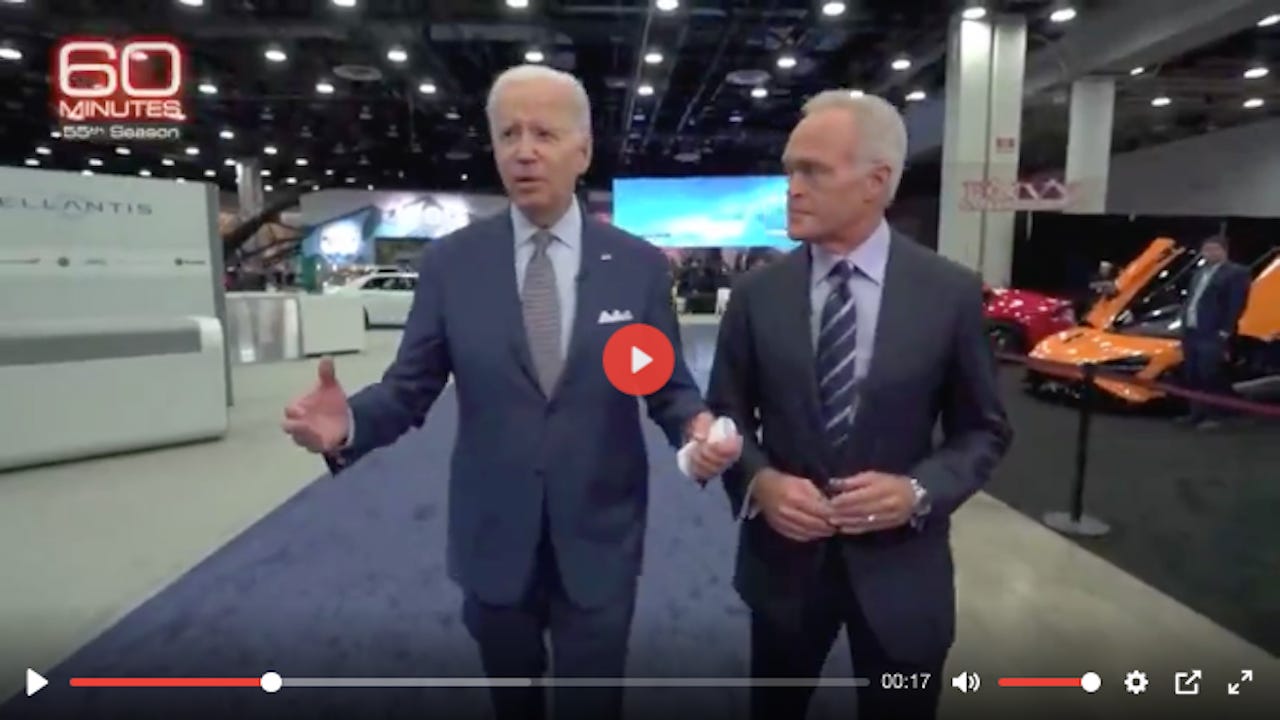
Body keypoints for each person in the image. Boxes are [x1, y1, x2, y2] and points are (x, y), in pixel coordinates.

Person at [281, 64, 739, 720]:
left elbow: (663, 385)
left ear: (583, 150)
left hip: (600, 534)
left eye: (544, 134)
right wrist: (347, 423)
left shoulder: (636, 266)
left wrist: (696, 430)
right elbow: (410, 389)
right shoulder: (451, 264)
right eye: (508, 134)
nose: (524, 151)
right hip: (493, 533)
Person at [706, 91, 1012, 720]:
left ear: (876, 182)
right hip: (785, 570)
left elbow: (983, 430)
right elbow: (725, 417)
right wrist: (761, 482)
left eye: (812, 171)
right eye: (789, 170)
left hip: (904, 573)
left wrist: (918, 491)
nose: (791, 189)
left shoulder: (950, 293)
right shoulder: (756, 294)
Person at [1177, 235, 1250, 429]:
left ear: (1224, 251)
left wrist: (1225, 330)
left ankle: (1215, 416)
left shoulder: (1236, 272)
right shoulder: (1199, 272)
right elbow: (1191, 300)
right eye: (1206, 249)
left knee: (1210, 375)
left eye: (1213, 249)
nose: (1208, 253)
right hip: (1191, 331)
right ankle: (1195, 413)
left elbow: (1236, 304)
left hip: (1213, 333)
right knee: (1192, 374)